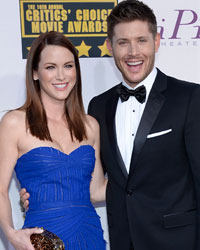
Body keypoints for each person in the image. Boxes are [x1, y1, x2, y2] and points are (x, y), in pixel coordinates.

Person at [21, 1, 200, 250]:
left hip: (178, 241)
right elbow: (95, 184)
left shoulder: (190, 98)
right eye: (123, 42)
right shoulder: (99, 107)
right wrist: (44, 194)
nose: (133, 52)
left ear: (157, 41)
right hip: (122, 240)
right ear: (109, 46)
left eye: (141, 40)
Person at [0, 31, 107, 250]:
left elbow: (96, 192)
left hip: (90, 236)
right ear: (35, 73)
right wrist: (11, 234)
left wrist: (148, 172)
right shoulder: (14, 123)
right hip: (43, 241)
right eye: (50, 67)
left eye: (68, 66)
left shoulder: (90, 126)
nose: (61, 75)